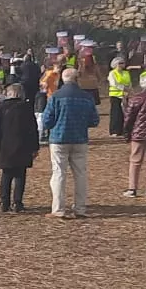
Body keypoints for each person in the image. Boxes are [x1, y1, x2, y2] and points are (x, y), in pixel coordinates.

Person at [40, 68, 99, 219]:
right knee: (80, 174)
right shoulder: (87, 97)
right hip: (80, 139)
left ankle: (58, 209)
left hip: (59, 138)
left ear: (62, 79)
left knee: (59, 173)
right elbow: (94, 120)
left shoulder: (56, 96)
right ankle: (80, 208)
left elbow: (46, 120)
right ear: (77, 79)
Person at [0, 83, 38, 214]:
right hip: (22, 145)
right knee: (20, 175)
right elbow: (32, 129)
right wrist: (35, 147)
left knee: (6, 174)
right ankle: (17, 202)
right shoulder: (26, 107)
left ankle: (4, 202)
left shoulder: (0, 107)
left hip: (4, 145)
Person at [106, 57, 131, 137]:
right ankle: (114, 130)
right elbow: (114, 84)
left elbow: (129, 83)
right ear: (115, 64)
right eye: (119, 63)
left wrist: (129, 90)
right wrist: (124, 88)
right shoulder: (112, 73)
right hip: (115, 95)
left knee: (124, 113)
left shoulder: (126, 73)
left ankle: (123, 130)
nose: (121, 65)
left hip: (125, 95)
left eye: (122, 63)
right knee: (116, 113)